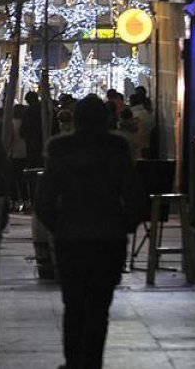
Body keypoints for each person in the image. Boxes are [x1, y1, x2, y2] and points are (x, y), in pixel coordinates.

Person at [36, 95, 147, 369]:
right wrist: (124, 225)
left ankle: (73, 361)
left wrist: (59, 226)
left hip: (71, 238)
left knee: (73, 305)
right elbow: (134, 196)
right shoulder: (117, 148)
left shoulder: (59, 150)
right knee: (99, 307)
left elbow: (44, 200)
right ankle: (92, 361)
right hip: (108, 237)